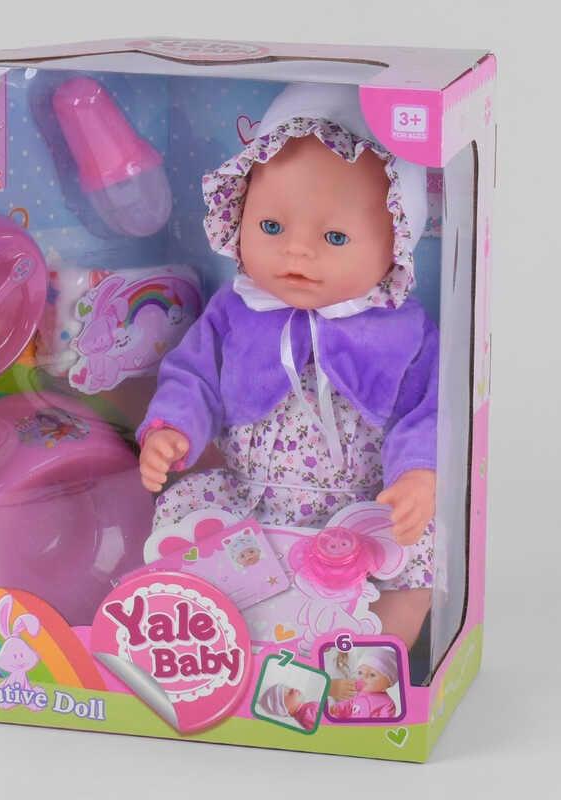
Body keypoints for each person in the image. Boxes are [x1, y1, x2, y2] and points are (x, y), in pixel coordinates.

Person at [138, 83, 436, 647]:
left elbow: (431, 409)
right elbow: (192, 374)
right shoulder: (235, 310)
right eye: (272, 227)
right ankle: (223, 653)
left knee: (416, 553)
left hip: (362, 508)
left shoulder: (404, 329)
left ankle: (375, 664)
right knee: (185, 528)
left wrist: (418, 473)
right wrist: (172, 428)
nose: (297, 250)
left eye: (335, 236)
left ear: (397, 240)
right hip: (251, 499)